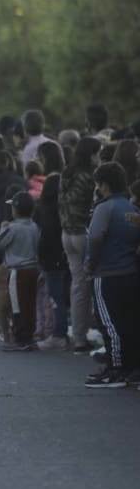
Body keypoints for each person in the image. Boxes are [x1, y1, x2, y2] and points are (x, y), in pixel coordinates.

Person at [83, 163, 140, 388]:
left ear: (103, 185)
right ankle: (131, 367)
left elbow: (95, 237)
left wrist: (90, 264)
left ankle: (115, 368)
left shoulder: (104, 209)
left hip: (106, 274)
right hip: (129, 272)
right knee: (128, 322)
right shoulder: (131, 209)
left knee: (109, 323)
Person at [59, 137, 102, 353]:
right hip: (83, 233)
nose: (99, 157)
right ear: (90, 154)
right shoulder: (89, 178)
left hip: (67, 233)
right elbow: (94, 206)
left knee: (78, 286)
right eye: (97, 153)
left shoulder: (67, 173)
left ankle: (78, 337)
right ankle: (93, 333)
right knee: (93, 285)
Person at [0, 191, 41, 352]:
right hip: (33, 269)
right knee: (30, 303)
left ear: (15, 209)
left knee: (17, 305)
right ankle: (29, 336)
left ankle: (20, 338)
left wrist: (2, 228)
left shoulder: (13, 227)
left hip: (17, 271)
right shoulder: (35, 226)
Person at [34, 141, 70, 350]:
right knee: (59, 290)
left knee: (56, 292)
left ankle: (59, 334)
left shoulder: (53, 181)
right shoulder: (61, 179)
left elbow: (46, 217)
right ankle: (59, 331)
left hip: (52, 243)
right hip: (59, 242)